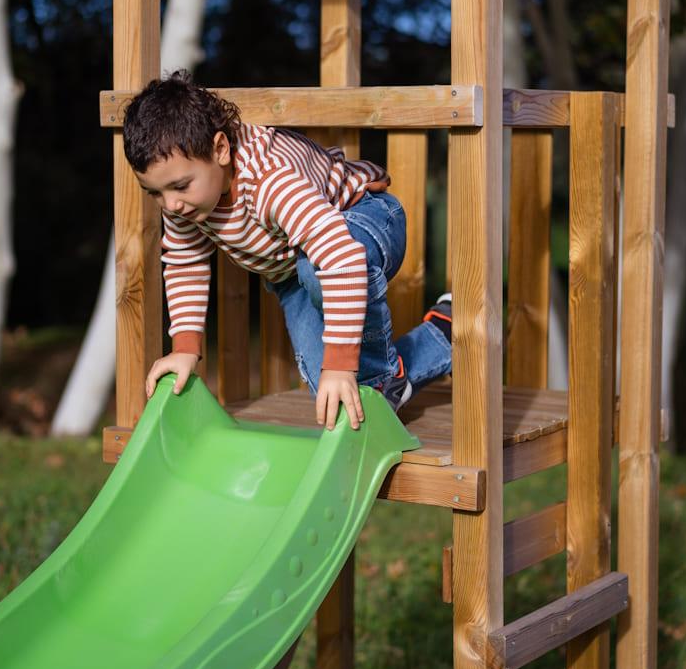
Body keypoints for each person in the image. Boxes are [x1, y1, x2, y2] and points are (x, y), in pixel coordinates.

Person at [122, 71, 452, 431]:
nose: (170, 205)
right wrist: (184, 347)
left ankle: (376, 381)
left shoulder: (270, 182)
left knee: (343, 367)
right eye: (154, 193)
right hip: (299, 268)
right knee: (337, 400)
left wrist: (341, 365)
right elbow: (185, 263)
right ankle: (443, 334)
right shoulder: (186, 202)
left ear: (220, 149)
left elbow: (342, 258)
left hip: (364, 220)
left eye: (179, 186)